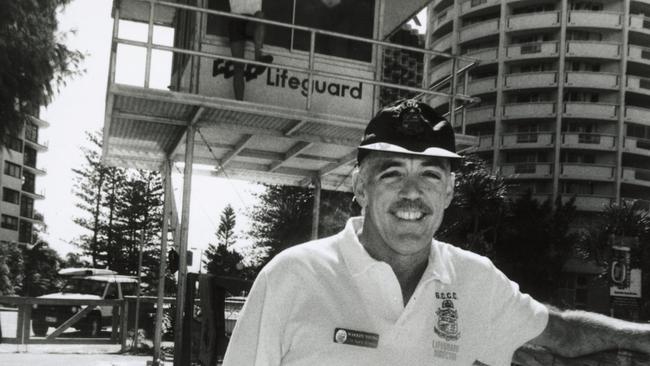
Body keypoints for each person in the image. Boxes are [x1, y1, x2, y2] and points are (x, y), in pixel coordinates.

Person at [222, 99, 650, 366]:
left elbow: (563, 334)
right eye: (392, 174)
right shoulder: (292, 276)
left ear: (448, 192)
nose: (412, 193)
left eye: (429, 175)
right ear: (359, 187)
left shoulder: (473, 279)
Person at [228, 0, 273, 101]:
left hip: (253, 20)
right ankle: (239, 103)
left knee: (260, 17)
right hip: (236, 19)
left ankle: (258, 58)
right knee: (238, 66)